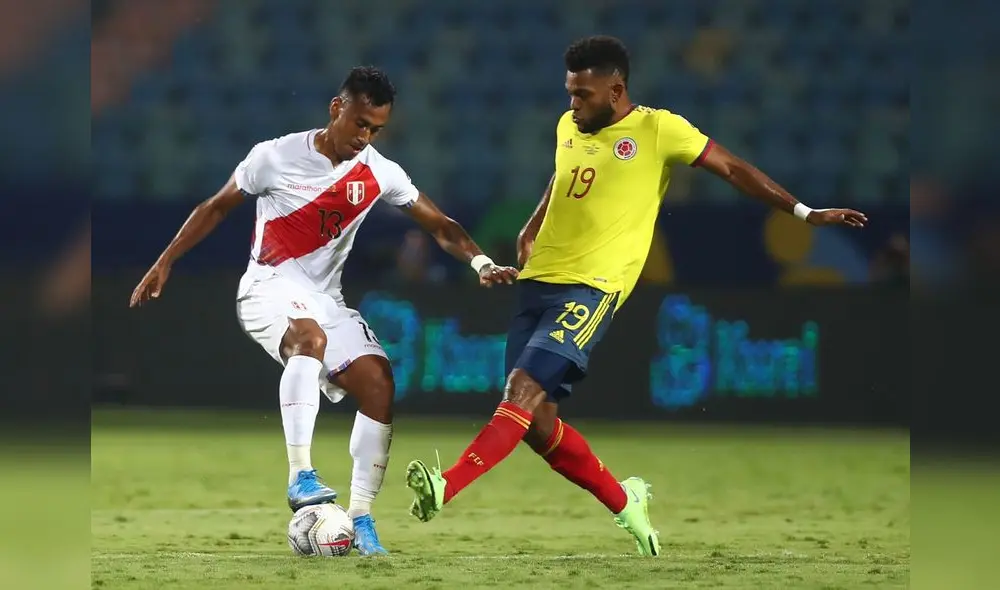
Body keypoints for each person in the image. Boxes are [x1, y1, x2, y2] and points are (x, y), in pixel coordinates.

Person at [403, 36, 867, 556]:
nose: (572, 104)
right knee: (536, 424)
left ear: (616, 89)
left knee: (520, 389)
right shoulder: (568, 125)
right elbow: (562, 178)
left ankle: (447, 485)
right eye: (569, 93)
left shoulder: (658, 129)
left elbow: (733, 168)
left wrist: (804, 212)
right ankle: (627, 503)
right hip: (537, 281)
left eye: (582, 94)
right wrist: (531, 227)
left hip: (593, 285)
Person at [129, 66, 518, 556]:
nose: (365, 137)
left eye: (376, 129)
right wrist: (166, 262)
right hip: (267, 288)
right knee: (308, 340)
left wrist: (481, 261)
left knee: (378, 382)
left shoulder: (379, 171)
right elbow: (215, 206)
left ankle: (361, 517)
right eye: (359, 123)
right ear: (337, 109)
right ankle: (300, 475)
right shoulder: (273, 156)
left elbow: (440, 225)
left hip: (325, 299)